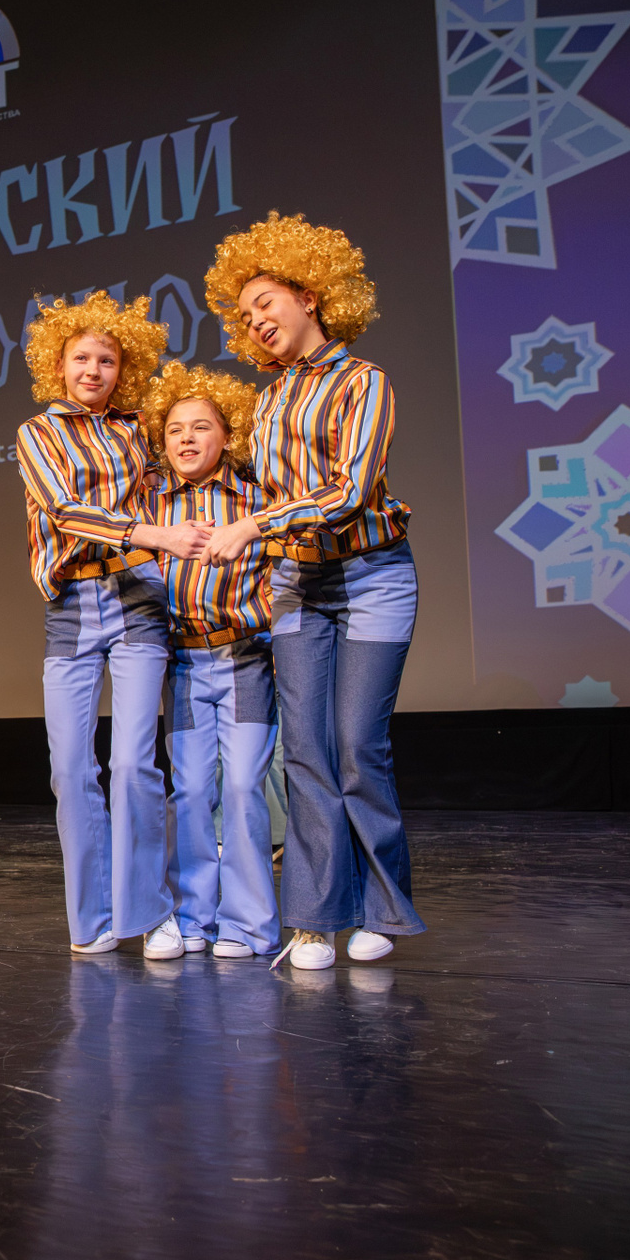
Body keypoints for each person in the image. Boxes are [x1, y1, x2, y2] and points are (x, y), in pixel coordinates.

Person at [202, 212, 421, 971]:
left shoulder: (366, 382)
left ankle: (380, 910)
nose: (255, 321)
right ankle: (315, 918)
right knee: (304, 753)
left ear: (312, 295)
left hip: (371, 575)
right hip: (298, 582)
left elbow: (351, 491)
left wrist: (255, 525)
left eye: (265, 303)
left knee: (358, 745)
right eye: (243, 316)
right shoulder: (266, 403)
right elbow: (260, 494)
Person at [15, 292, 208, 959]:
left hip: (137, 597)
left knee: (131, 763)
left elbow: (181, 478)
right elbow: (64, 510)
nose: (93, 370)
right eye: (81, 358)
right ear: (57, 365)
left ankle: (151, 914)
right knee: (71, 771)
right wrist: (157, 534)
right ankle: (91, 921)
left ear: (122, 369)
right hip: (72, 604)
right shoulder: (37, 432)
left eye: (106, 360)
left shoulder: (140, 430)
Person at [141, 361, 281, 960]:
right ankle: (193, 918)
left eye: (201, 426)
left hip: (245, 659)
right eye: (175, 429)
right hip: (183, 666)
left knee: (245, 786)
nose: (187, 439)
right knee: (192, 790)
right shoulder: (149, 507)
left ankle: (248, 924)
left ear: (228, 434)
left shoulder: (256, 500)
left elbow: (283, 575)